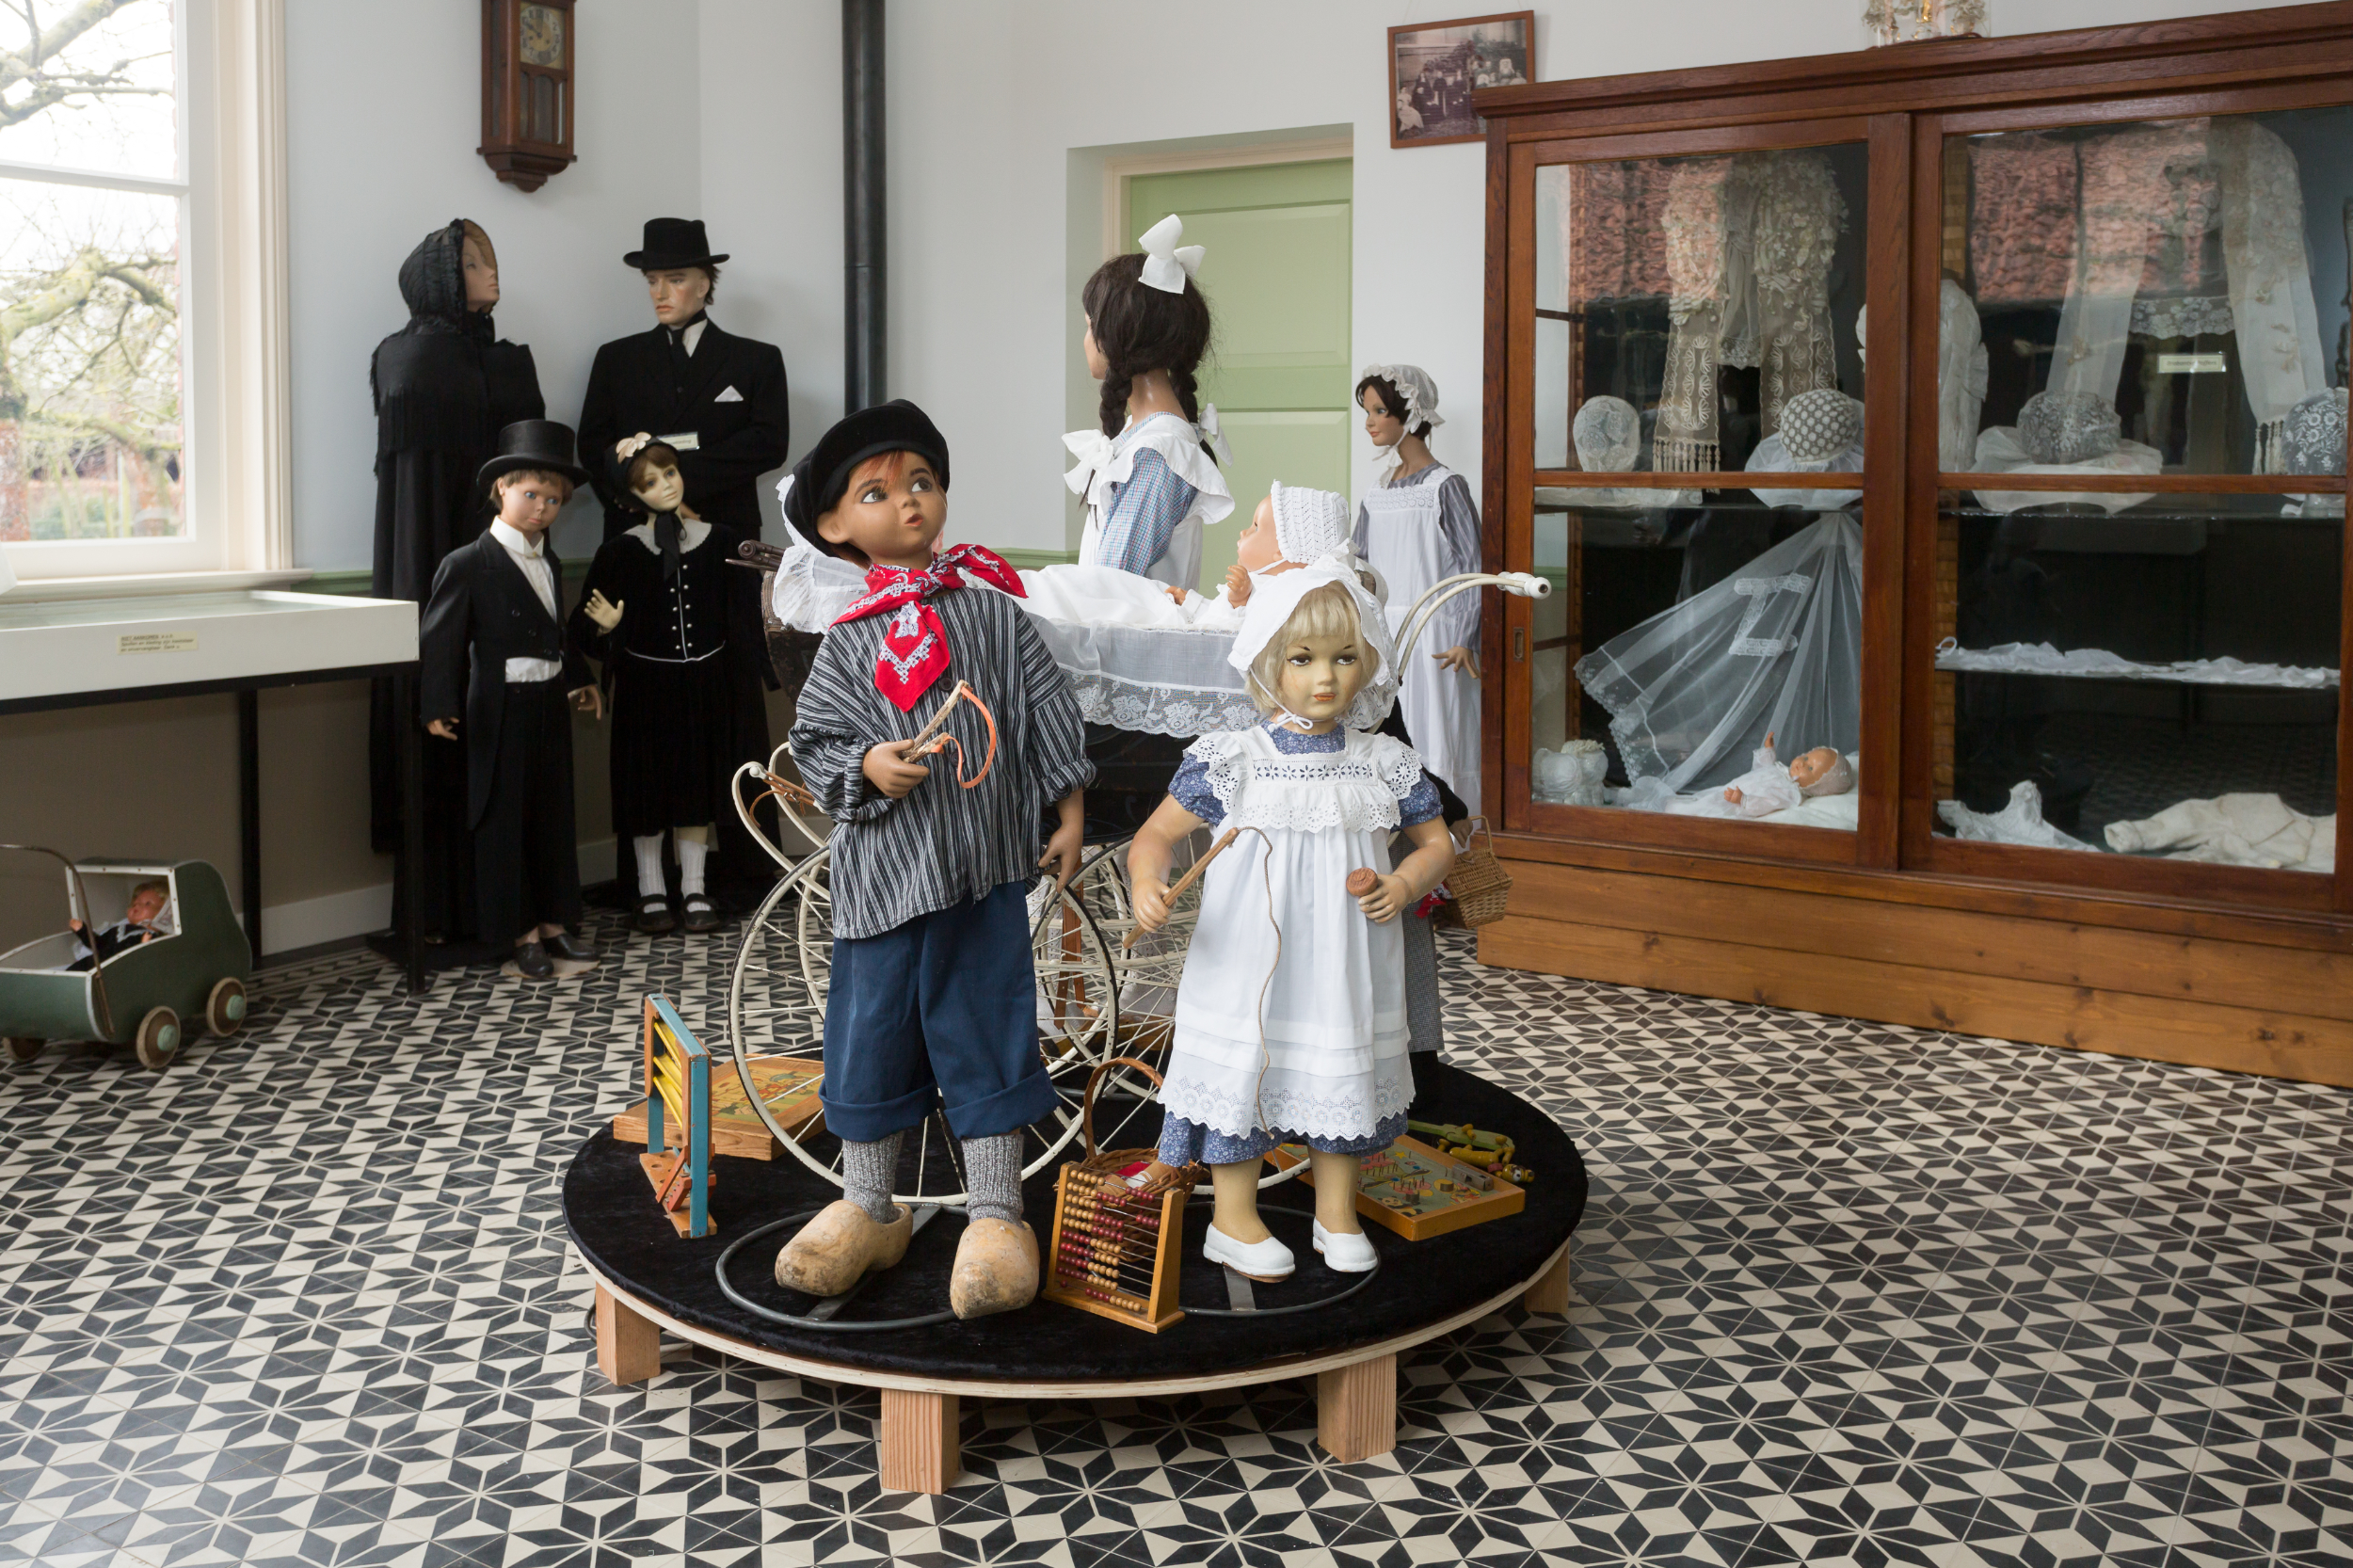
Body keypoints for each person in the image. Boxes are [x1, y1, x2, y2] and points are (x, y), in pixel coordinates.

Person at [771, 401, 1093, 1320]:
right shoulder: (847, 640)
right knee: (867, 1037)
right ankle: (869, 1203)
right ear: (836, 525)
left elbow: (1046, 713)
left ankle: (996, 1212)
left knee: (986, 1029)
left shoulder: (993, 614)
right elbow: (816, 743)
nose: (907, 503)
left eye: (919, 482)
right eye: (877, 492)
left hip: (982, 872)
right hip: (877, 884)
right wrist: (868, 766)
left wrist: (1067, 809)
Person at [1128, 553, 1455, 1281]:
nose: (1326, 678)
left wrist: (1403, 884)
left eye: (1344, 658)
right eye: (1303, 659)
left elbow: (1439, 843)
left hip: (1344, 964)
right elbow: (1155, 836)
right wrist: (1149, 882)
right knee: (1245, 1070)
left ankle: (1335, 1210)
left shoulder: (1382, 761)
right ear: (1269, 662)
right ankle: (1232, 1219)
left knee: (1340, 1072)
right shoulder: (1233, 758)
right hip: (1246, 961)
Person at [368, 219, 546, 946]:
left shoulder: (508, 363)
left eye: (491, 258)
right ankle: (439, 912)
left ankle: (512, 907)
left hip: (506, 563)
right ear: (441, 277)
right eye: (474, 262)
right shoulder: (406, 358)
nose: (490, 271)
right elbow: (410, 497)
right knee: (444, 726)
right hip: (430, 565)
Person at [419, 422, 604, 982]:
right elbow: (442, 640)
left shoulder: (547, 561)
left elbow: (556, 631)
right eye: (531, 496)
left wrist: (580, 677)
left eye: (553, 500)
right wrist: (437, 702)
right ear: (501, 489)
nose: (542, 509)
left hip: (547, 703)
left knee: (551, 811)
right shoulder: (468, 562)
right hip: (497, 710)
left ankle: (553, 920)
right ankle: (516, 930)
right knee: (503, 820)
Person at [569, 436, 775, 936]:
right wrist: (609, 628)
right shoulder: (620, 552)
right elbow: (580, 629)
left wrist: (754, 672)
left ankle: (695, 886)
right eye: (650, 481)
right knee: (645, 791)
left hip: (704, 685)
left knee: (696, 788)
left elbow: (746, 615)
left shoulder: (721, 541)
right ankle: (649, 889)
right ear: (631, 495)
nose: (665, 486)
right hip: (645, 688)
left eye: (669, 474)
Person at [578, 219, 790, 542]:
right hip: (635, 529)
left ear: (703, 285)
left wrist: (673, 482)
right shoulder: (615, 359)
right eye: (652, 281)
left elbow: (769, 444)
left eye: (675, 280)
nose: (659, 293)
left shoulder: (756, 360)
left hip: (725, 526)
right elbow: (593, 447)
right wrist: (643, 499)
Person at [1064, 214, 1234, 590]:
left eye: (1090, 324)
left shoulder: (1159, 452)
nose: (1086, 338)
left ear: (1117, 334)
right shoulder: (1146, 439)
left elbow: (1109, 587)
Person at [1353, 364, 1484, 811]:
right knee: (1391, 736)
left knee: (1437, 732)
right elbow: (1362, 566)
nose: (1369, 421)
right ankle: (1403, 837)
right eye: (1366, 411)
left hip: (1435, 636)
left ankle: (1454, 839)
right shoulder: (1376, 493)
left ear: (1408, 414)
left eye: (1379, 410)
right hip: (1384, 635)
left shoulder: (1445, 487)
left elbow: (1471, 568)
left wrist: (1465, 638)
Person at [68, 879, 170, 971]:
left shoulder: (154, 936)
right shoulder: (120, 929)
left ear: (164, 913)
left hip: (114, 971)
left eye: (147, 904)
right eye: (134, 904)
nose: (137, 905)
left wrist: (143, 947)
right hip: (96, 963)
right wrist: (82, 930)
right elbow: (98, 943)